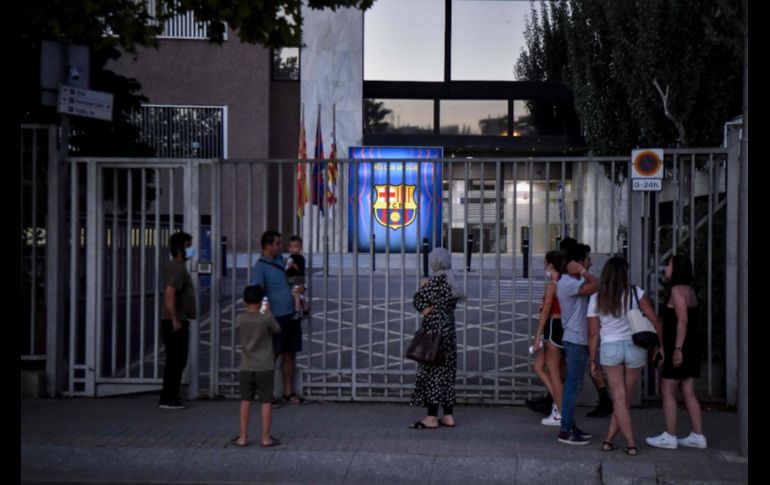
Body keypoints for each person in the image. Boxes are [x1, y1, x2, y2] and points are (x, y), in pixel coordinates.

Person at [587, 257, 663, 456]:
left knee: (619, 398)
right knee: (624, 397)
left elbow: (593, 333)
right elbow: (655, 321)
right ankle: (611, 441)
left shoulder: (596, 298)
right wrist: (660, 346)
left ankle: (627, 443)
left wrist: (592, 359)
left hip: (610, 348)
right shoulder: (636, 293)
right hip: (635, 347)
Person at [646, 254, 707, 449]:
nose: (666, 268)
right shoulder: (690, 290)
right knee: (688, 391)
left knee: (667, 388)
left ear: (677, 268)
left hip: (680, 347)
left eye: (670, 265)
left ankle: (670, 435)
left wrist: (677, 349)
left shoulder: (677, 291)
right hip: (690, 346)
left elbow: (682, 320)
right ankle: (698, 435)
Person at [409, 248, 464, 429]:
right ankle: (448, 416)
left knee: (432, 374)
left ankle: (431, 417)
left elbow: (418, 301)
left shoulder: (434, 282)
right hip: (449, 332)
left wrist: (423, 287)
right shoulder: (452, 283)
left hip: (434, 334)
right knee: (447, 374)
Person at [250, 230, 306, 405]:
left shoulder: (283, 261)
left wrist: (300, 288)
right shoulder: (260, 267)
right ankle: (265, 394)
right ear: (268, 245)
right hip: (276, 317)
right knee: (272, 355)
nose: (281, 247)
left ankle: (288, 393)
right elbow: (256, 293)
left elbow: (296, 279)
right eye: (277, 244)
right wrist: (266, 315)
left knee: (290, 353)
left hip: (291, 314)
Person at [555, 243, 598, 444]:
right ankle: (565, 429)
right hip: (575, 339)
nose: (590, 263)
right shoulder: (567, 283)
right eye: (587, 260)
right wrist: (582, 271)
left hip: (577, 338)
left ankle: (570, 425)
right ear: (577, 262)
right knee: (573, 386)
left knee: (575, 385)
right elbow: (597, 285)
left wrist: (581, 272)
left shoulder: (574, 281)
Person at [231, 285, 282, 447]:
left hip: (247, 365)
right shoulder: (265, 319)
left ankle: (243, 437)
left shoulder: (241, 318)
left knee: (245, 401)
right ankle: (266, 437)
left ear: (245, 301)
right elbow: (277, 329)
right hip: (265, 366)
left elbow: (237, 328)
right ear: (261, 302)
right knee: (266, 401)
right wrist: (268, 313)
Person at [159, 232, 196, 410]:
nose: (192, 249)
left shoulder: (179, 266)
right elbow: (169, 293)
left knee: (178, 360)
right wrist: (175, 319)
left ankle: (172, 395)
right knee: (175, 360)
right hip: (174, 320)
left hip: (177, 319)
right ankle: (168, 398)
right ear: (180, 248)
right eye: (189, 245)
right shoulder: (178, 268)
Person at [531, 251, 565, 426]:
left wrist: (537, 336)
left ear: (551, 264)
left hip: (553, 325)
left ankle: (560, 410)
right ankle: (557, 404)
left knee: (553, 371)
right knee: (537, 366)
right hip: (563, 327)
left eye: (545, 262)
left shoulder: (552, 284)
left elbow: (546, 311)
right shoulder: (566, 282)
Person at [286, 235, 309, 320]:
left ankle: (297, 311)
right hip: (290, 279)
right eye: (291, 246)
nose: (293, 249)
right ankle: (306, 309)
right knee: (300, 296)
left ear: (300, 248)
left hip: (298, 280)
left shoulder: (300, 258)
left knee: (296, 293)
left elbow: (299, 270)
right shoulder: (290, 257)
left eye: (296, 246)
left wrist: (293, 265)